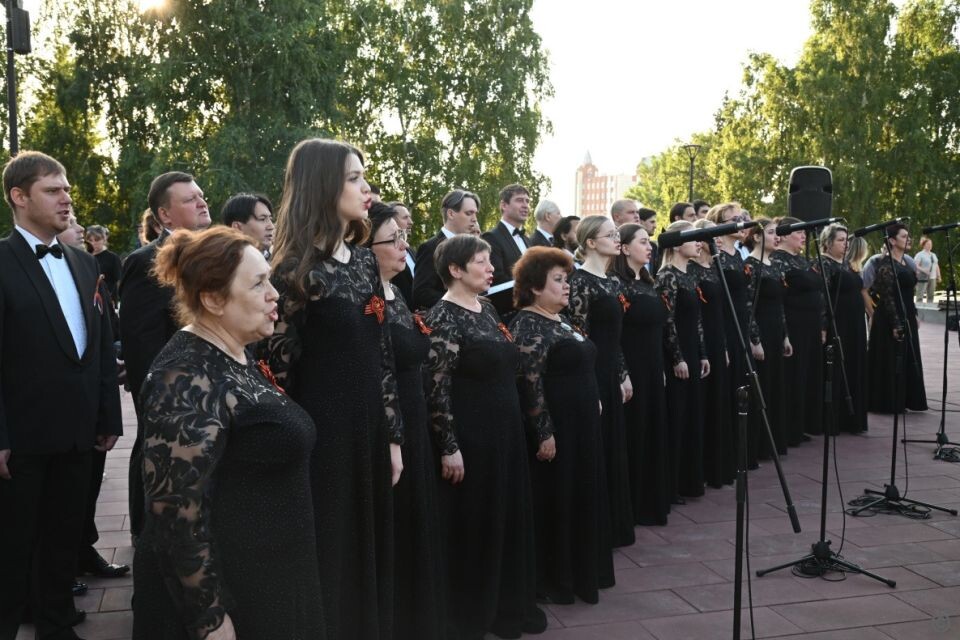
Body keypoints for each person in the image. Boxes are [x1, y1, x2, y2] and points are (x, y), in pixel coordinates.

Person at [132, 227, 324, 640]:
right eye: (258, 284)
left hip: (269, 578)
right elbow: (175, 513)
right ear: (214, 299)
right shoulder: (184, 375)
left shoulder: (234, 352)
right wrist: (210, 619)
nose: (274, 294)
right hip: (232, 597)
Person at [265, 139, 402, 640]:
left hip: (368, 426)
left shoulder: (365, 262)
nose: (367, 188)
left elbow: (381, 354)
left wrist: (392, 436)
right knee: (330, 547)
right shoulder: (292, 270)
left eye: (365, 176)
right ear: (323, 185)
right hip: (321, 432)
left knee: (371, 546)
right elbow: (277, 376)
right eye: (353, 178)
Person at [0, 151, 122, 640]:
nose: (67, 199)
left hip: (77, 434)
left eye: (67, 189)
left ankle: (56, 627)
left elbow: (95, 345)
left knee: (61, 541)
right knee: (11, 548)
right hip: (21, 439)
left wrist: (108, 415)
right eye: (53, 190)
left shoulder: (82, 260)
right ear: (19, 196)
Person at [422, 234, 546, 639]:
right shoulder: (442, 317)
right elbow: (436, 387)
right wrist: (449, 446)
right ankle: (474, 613)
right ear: (455, 270)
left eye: (490, 260)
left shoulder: (489, 308)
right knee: (477, 524)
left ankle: (507, 606)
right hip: (472, 437)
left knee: (507, 517)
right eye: (480, 261)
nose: (491, 268)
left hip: (506, 433)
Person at [510, 246, 612, 604]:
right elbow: (529, 382)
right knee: (559, 499)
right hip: (559, 430)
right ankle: (559, 579)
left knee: (583, 493)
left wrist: (594, 396)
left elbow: (584, 363)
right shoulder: (526, 323)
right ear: (535, 287)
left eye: (567, 279)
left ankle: (585, 572)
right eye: (558, 280)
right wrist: (544, 432)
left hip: (584, 426)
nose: (566, 286)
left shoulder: (563, 320)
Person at [363, 203, 446, 640]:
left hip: (414, 419)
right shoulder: (366, 298)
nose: (403, 245)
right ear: (365, 247)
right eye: (392, 239)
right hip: (386, 426)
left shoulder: (398, 293)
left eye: (402, 236)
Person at [120, 171, 211, 538]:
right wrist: (158, 402)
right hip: (171, 398)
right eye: (190, 199)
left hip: (212, 392)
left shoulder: (219, 253)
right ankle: (146, 543)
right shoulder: (145, 262)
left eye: (201, 195)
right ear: (165, 216)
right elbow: (141, 343)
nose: (202, 202)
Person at [567, 215, 635, 547]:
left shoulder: (612, 281)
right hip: (590, 372)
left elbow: (617, 337)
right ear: (591, 242)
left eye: (618, 233)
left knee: (613, 445)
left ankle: (614, 526)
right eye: (611, 234)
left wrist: (622, 373)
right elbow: (578, 336)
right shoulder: (579, 281)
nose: (617, 238)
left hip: (611, 371)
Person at [610, 224, 670, 525]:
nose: (649, 247)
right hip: (629, 369)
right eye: (643, 242)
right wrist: (622, 373)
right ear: (624, 248)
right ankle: (630, 506)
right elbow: (614, 335)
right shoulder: (616, 284)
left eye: (650, 243)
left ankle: (650, 502)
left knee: (651, 431)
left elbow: (661, 329)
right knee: (632, 434)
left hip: (652, 367)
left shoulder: (649, 281)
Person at [656, 220, 709, 502]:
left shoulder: (689, 274)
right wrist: (677, 358)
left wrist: (701, 353)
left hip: (691, 352)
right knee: (676, 417)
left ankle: (690, 480)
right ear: (677, 243)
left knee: (692, 416)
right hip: (675, 356)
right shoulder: (667, 276)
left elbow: (697, 320)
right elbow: (667, 320)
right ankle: (672, 485)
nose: (699, 243)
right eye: (693, 238)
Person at [706, 204, 758, 466]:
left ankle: (740, 451)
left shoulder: (738, 256)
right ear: (720, 225)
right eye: (733, 219)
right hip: (724, 326)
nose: (740, 222)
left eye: (741, 218)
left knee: (742, 386)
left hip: (740, 327)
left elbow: (746, 300)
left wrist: (752, 336)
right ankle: (723, 456)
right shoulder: (716, 257)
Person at [770, 216, 824, 444]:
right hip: (794, 324)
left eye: (804, 232)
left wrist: (823, 325)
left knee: (808, 374)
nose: (804, 236)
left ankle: (802, 423)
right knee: (794, 375)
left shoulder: (802, 260)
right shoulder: (778, 260)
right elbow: (779, 298)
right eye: (799, 232)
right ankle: (789, 428)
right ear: (783, 235)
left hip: (812, 325)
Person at [688, 219, 733, 487]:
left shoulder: (716, 268)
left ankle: (718, 465)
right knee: (704, 401)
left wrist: (725, 346)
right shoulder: (692, 269)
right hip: (701, 339)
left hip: (719, 337)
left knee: (719, 399)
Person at [744, 219, 792, 460]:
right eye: (772, 233)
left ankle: (772, 444)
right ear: (756, 237)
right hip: (760, 331)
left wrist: (785, 336)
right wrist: (754, 339)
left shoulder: (775, 265)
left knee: (775, 386)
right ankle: (756, 446)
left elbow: (780, 304)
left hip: (775, 332)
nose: (777, 237)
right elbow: (747, 305)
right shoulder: (750, 266)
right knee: (759, 389)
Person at [868, 224, 927, 413]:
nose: (908, 239)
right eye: (903, 236)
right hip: (890, 317)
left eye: (909, 236)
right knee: (892, 357)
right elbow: (887, 297)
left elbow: (908, 293)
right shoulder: (885, 265)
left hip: (907, 313)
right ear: (892, 241)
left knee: (907, 356)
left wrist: (914, 313)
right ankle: (889, 402)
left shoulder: (906, 263)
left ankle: (904, 399)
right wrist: (895, 323)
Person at [818, 223, 868, 434]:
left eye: (847, 240)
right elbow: (822, 298)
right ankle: (834, 421)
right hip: (838, 325)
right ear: (827, 243)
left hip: (856, 324)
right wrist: (823, 327)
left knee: (855, 366)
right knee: (837, 369)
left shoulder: (847, 264)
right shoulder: (824, 264)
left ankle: (853, 420)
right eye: (840, 240)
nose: (845, 244)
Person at [412, 189, 479, 311]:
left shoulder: (473, 248)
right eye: (469, 213)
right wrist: (462, 301)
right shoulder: (430, 248)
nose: (474, 219)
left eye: (475, 213)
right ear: (451, 214)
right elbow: (421, 293)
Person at [482, 184, 531, 317]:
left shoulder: (527, 240)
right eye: (519, 200)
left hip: (530, 311)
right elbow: (496, 279)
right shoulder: (491, 237)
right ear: (504, 205)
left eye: (527, 201)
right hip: (505, 314)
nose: (525, 205)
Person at [385, 201, 417, 305]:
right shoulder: (384, 252)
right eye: (405, 218)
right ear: (391, 221)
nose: (411, 222)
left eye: (410, 217)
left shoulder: (411, 250)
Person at [85, 225, 123, 305]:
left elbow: (119, 281)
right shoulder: (84, 257)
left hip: (108, 300)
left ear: (104, 239)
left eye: (97, 240)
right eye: (90, 240)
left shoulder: (113, 258)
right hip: (89, 300)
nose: (93, 243)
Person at [914, 236, 939, 303]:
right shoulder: (919, 254)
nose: (930, 245)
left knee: (931, 296)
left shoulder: (933, 255)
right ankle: (919, 311)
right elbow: (915, 265)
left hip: (932, 277)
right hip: (922, 277)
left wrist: (938, 275)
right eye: (928, 244)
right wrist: (923, 270)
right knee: (920, 296)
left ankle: (929, 310)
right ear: (924, 245)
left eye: (931, 244)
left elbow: (936, 265)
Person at [638, 208, 660, 274]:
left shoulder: (653, 246)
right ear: (640, 222)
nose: (655, 226)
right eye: (652, 222)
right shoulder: (630, 245)